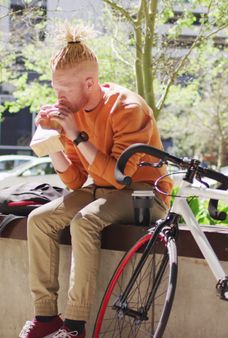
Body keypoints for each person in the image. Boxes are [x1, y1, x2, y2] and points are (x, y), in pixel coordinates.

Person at [19, 25, 173, 338]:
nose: (58, 97)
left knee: (85, 220)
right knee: (38, 219)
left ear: (89, 83)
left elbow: (119, 176)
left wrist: (76, 134)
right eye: (55, 89)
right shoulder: (73, 113)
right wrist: (52, 143)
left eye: (64, 89)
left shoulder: (127, 108)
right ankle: (46, 318)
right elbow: (76, 181)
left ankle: (75, 327)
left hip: (144, 194)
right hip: (101, 190)